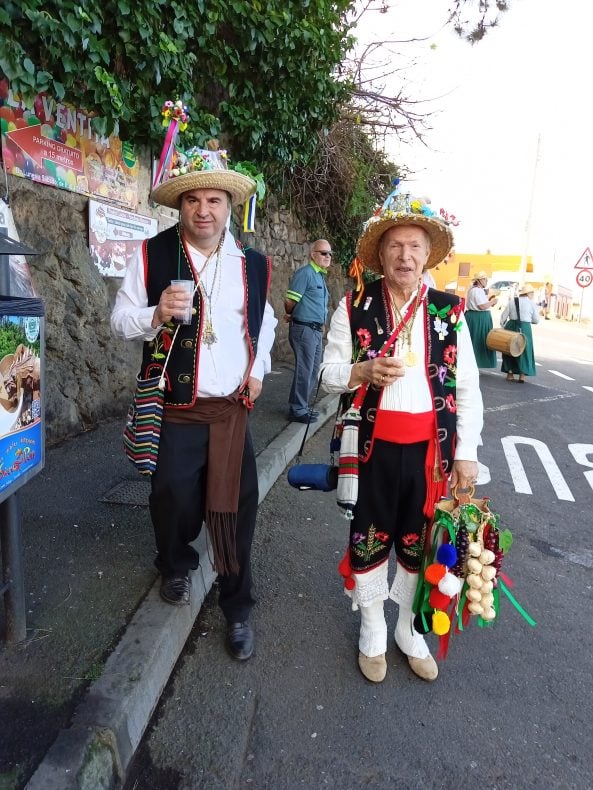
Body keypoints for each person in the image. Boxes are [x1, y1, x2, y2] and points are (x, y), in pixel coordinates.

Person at [111, 147, 277, 661]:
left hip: (230, 411)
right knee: (172, 498)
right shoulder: (153, 254)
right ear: (179, 206)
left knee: (235, 510)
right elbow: (118, 321)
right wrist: (155, 313)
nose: (203, 210)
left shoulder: (252, 265)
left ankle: (238, 604)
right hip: (176, 410)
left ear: (229, 206)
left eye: (214, 199)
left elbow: (265, 323)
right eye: (193, 200)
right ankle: (176, 563)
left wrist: (257, 370)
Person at [320, 188, 483, 684]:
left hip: (431, 455)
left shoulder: (449, 312)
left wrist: (467, 453)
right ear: (382, 253)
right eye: (395, 246)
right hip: (371, 450)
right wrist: (362, 370)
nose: (405, 255)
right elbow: (327, 373)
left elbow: (468, 387)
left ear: (428, 253)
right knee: (369, 540)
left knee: (417, 544)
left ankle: (409, 630)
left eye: (415, 246)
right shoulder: (354, 305)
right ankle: (372, 628)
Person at [284, 240, 331, 422]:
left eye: (329, 254)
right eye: (323, 253)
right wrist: (289, 313)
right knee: (305, 370)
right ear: (313, 254)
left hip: (315, 331)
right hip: (304, 329)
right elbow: (290, 300)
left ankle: (300, 406)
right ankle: (297, 409)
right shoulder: (306, 274)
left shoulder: (319, 276)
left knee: (312, 370)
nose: (328, 257)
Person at [500, 282, 539, 383]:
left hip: (511, 326)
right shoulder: (531, 304)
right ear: (529, 293)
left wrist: (504, 327)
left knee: (510, 349)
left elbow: (503, 317)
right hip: (525, 327)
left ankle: (510, 373)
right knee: (524, 350)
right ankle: (522, 375)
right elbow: (536, 320)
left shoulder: (513, 301)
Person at [465, 271, 498, 368]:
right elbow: (482, 306)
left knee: (476, 340)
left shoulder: (476, 290)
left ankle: (474, 364)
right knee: (478, 341)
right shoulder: (476, 290)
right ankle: (474, 364)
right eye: (484, 279)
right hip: (478, 318)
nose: (486, 281)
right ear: (479, 280)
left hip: (478, 318)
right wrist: (492, 302)